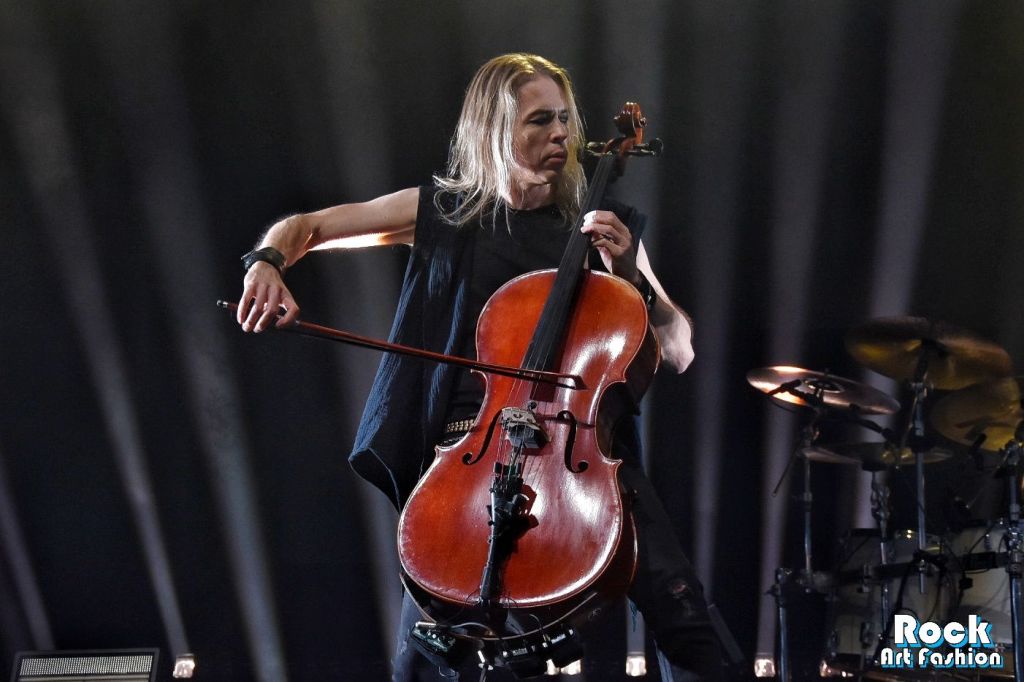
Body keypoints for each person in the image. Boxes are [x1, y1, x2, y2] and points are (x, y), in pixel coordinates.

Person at [237, 53, 723, 681]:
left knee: (685, 616)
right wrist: (266, 261)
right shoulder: (446, 213)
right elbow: (308, 226)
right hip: (467, 455)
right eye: (540, 120)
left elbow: (679, 349)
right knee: (423, 658)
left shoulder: (604, 228)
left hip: (578, 453)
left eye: (566, 119)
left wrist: (630, 277)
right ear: (495, 130)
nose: (561, 134)